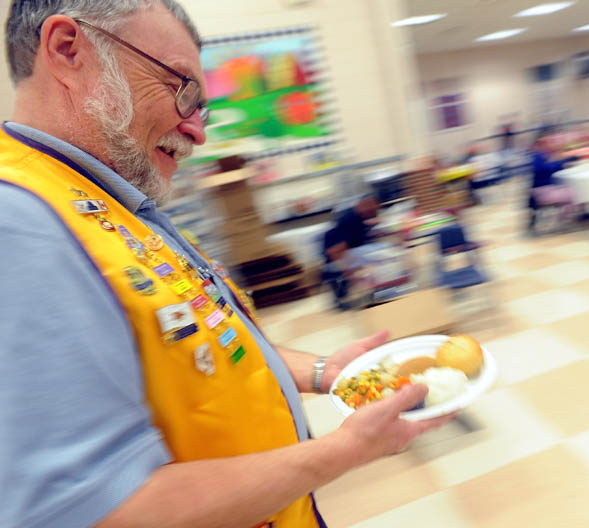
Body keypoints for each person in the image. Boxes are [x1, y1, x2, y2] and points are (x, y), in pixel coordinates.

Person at [0, 2, 452, 527]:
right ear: (67, 50)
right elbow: (99, 510)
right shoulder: (22, 225)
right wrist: (345, 450)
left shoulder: (111, 203)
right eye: (182, 89)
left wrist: (330, 372)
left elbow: (208, 346)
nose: (198, 131)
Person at [320, 194, 380, 309]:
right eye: (374, 207)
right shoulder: (351, 221)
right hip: (336, 268)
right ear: (362, 205)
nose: (377, 209)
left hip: (342, 263)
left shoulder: (358, 218)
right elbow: (335, 252)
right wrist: (351, 273)